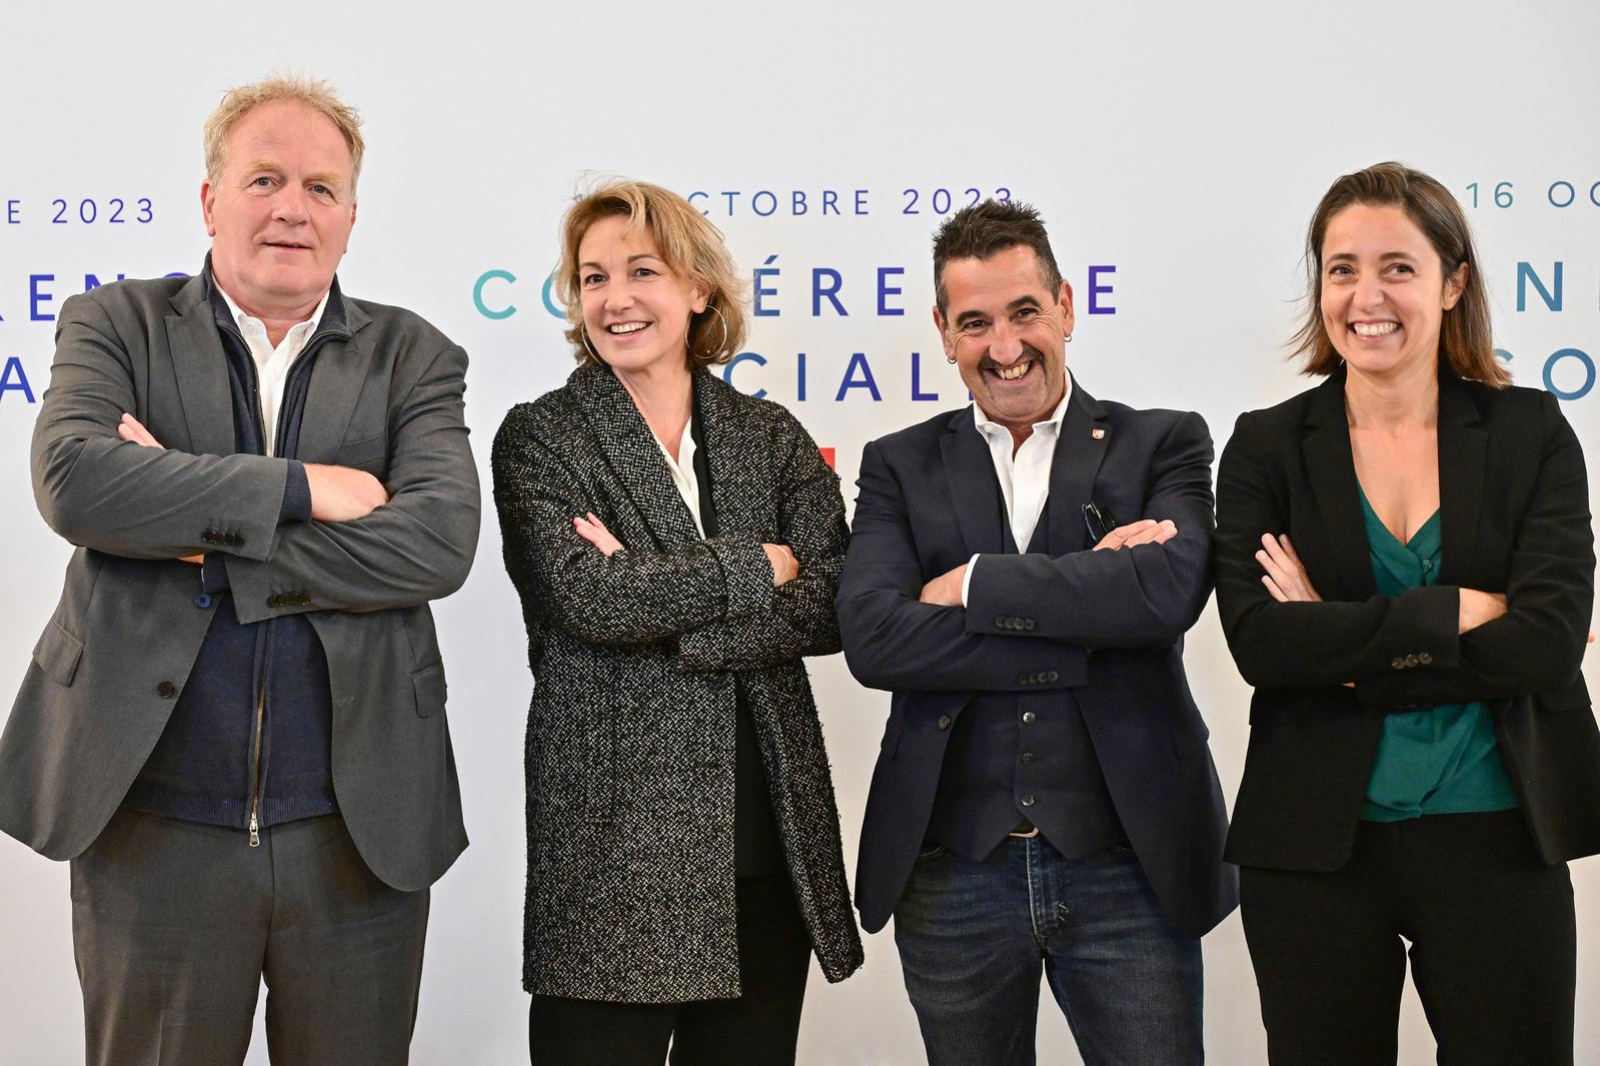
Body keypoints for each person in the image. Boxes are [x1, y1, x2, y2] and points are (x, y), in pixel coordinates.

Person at [0, 75, 480, 1066]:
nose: (292, 208)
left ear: (351, 215)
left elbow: (436, 544)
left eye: (320, 186)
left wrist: (196, 527)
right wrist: (309, 488)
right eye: (264, 178)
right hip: (150, 824)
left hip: (356, 832)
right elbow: (77, 484)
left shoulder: (413, 357)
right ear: (210, 197)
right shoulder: (115, 324)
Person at [1216, 161, 1600, 1065]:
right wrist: (1457, 611)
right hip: (1314, 848)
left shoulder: (1530, 433)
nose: (1367, 297)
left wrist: (1342, 647)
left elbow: (1547, 644)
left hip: (1499, 835)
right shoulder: (1268, 445)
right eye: (1342, 269)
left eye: (1398, 267)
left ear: (1452, 282)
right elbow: (1263, 645)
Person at [837, 199, 1236, 1066]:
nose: (1004, 345)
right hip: (953, 872)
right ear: (943, 332)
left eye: (1024, 312)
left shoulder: (1162, 443)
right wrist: (1092, 609)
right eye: (975, 323)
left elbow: (1165, 596)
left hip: (1130, 866)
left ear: (1066, 306)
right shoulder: (898, 464)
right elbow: (874, 640)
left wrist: (971, 586)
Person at [492, 179, 863, 1066]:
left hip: (765, 838)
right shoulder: (542, 437)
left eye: (642, 271)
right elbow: (590, 599)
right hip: (613, 845)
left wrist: (666, 608)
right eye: (593, 278)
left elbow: (833, 600)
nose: (614, 298)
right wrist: (757, 566)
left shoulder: (767, 434)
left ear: (698, 288)